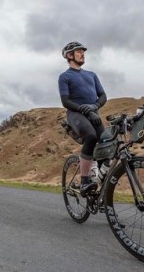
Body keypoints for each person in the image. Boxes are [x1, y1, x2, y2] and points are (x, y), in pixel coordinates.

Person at [58, 41, 107, 197]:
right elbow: (65, 101)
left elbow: (103, 96)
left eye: (83, 52)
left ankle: (100, 181)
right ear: (69, 55)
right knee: (91, 137)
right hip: (75, 114)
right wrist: (84, 109)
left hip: (93, 114)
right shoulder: (65, 76)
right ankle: (84, 180)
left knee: (106, 144)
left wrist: (94, 107)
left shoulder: (91, 75)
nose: (82, 54)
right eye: (78, 52)